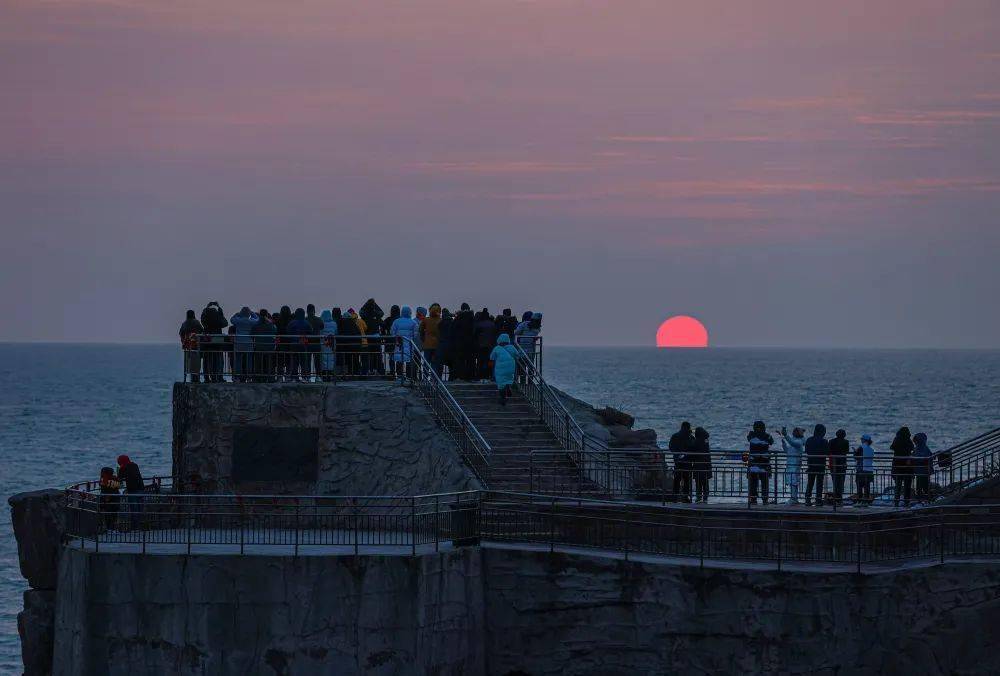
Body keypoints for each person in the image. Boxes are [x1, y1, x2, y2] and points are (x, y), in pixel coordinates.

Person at [747, 421, 774, 505]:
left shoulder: (751, 435)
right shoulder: (767, 436)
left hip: (753, 463)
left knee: (753, 482)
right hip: (764, 463)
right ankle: (765, 499)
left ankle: (753, 499)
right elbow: (771, 441)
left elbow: (748, 438)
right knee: (764, 482)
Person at [229, 307, 260, 382]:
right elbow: (258, 319)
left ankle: (238, 377)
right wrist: (252, 313)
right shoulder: (251, 321)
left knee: (238, 360)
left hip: (238, 342)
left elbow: (231, 319)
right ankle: (249, 376)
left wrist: (237, 314)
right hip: (248, 342)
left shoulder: (238, 321)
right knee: (249, 360)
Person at [200, 302, 228, 382]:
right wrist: (220, 310)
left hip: (207, 340)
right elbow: (225, 323)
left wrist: (206, 307)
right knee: (218, 359)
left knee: (206, 360)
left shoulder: (206, 320)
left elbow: (202, 317)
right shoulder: (218, 318)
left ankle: (206, 378)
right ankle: (218, 377)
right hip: (217, 341)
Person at [390, 305, 420, 381]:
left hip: (399, 344)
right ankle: (409, 377)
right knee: (409, 361)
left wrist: (397, 338)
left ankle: (399, 376)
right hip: (409, 344)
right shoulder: (413, 322)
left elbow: (392, 332)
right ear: (410, 313)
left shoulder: (396, 321)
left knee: (399, 360)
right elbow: (415, 334)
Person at [116, 454, 144, 531]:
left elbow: (119, 479)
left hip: (132, 491)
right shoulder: (135, 465)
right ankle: (140, 527)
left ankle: (135, 528)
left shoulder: (123, 468)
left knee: (134, 510)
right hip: (141, 489)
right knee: (140, 509)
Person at [489, 333, 519, 405]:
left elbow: (492, 358)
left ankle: (503, 398)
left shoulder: (497, 348)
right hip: (511, 367)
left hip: (500, 369)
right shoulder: (512, 347)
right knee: (508, 378)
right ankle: (508, 388)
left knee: (501, 382)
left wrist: (491, 368)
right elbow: (517, 355)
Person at [668, 422, 694, 502]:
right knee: (687, 480)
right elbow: (693, 447)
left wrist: (677, 455)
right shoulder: (690, 437)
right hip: (687, 462)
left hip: (678, 461)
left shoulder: (675, 436)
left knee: (677, 479)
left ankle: (675, 497)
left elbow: (671, 447)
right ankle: (685, 497)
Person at [804, 424, 829, 506]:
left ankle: (807, 499)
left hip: (811, 464)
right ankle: (818, 499)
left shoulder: (809, 440)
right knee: (819, 483)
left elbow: (807, 450)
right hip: (821, 465)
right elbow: (826, 452)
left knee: (810, 482)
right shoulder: (824, 441)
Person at [451, 303, 477, 381]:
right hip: (470, 342)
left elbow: (453, 329)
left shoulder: (458, 318)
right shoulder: (472, 317)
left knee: (460, 360)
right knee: (470, 360)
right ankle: (470, 376)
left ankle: (461, 376)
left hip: (460, 343)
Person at [779, 427, 805, 504]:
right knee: (792, 482)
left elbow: (791, 442)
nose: (794, 433)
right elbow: (787, 451)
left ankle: (794, 498)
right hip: (790, 464)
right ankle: (793, 498)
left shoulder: (799, 442)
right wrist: (783, 443)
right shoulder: (794, 442)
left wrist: (785, 435)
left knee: (794, 482)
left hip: (795, 464)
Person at [286, 308, 313, 381]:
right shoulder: (306, 323)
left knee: (294, 362)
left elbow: (287, 332)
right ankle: (304, 377)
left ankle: (294, 377)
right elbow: (311, 332)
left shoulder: (292, 323)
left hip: (293, 344)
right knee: (303, 362)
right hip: (303, 344)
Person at [360, 299, 385, 375]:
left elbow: (360, 311)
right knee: (377, 355)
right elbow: (382, 314)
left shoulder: (364, 315)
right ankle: (379, 371)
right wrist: (375, 304)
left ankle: (368, 371)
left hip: (367, 337)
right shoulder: (377, 315)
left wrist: (367, 303)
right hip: (376, 337)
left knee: (368, 355)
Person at [250, 309, 277, 381]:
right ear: (267, 314)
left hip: (259, 346)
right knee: (269, 363)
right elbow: (275, 332)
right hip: (269, 346)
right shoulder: (271, 324)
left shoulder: (256, 324)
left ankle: (258, 378)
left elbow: (252, 334)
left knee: (258, 363)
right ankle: (270, 378)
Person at [891, 426, 914, 507]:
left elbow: (892, 447)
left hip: (897, 465)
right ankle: (906, 501)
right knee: (907, 485)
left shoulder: (896, 439)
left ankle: (896, 501)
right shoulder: (908, 440)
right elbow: (912, 448)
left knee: (898, 484)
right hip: (907, 466)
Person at [179, 310, 204, 383]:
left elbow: (181, 333)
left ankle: (192, 378)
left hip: (188, 346)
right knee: (197, 363)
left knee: (190, 363)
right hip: (196, 345)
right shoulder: (196, 322)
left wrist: (184, 342)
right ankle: (196, 378)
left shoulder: (185, 323)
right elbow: (201, 330)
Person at [474, 309, 497, 381]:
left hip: (480, 345)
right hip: (490, 346)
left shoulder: (479, 324)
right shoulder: (493, 324)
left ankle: (479, 375)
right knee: (489, 361)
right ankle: (489, 374)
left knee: (480, 361)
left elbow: (475, 335)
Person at [691, 426, 712, 503]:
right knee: (705, 482)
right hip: (706, 464)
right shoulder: (706, 441)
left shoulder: (696, 441)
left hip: (698, 464)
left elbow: (692, 450)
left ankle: (698, 496)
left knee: (698, 482)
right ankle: (705, 497)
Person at [829, 429, 850, 506]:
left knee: (835, 481)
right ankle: (839, 498)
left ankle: (836, 498)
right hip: (842, 464)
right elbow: (847, 451)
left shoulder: (831, 441)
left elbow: (829, 451)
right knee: (841, 481)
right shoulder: (846, 442)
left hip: (833, 464)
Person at [420, 303, 442, 372]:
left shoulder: (426, 320)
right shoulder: (441, 321)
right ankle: (434, 379)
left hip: (427, 344)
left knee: (426, 362)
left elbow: (420, 330)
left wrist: (423, 339)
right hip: (437, 344)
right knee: (435, 363)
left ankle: (425, 379)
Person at [98, 466, 121, 532]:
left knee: (108, 515)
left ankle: (109, 529)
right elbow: (118, 486)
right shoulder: (115, 479)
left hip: (107, 500)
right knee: (114, 515)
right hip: (115, 499)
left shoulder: (105, 479)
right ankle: (113, 529)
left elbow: (103, 487)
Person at [855, 434, 875, 505]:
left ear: (864, 440)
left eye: (862, 439)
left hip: (861, 469)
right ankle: (866, 501)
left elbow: (856, 457)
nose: (861, 440)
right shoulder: (871, 449)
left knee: (859, 486)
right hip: (869, 469)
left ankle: (859, 501)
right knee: (867, 486)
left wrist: (855, 452)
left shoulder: (861, 448)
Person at [912, 432, 933, 502]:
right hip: (921, 470)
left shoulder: (921, 449)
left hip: (922, 470)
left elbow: (917, 457)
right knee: (920, 484)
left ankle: (924, 498)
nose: (915, 443)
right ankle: (922, 498)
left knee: (923, 484)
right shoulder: (923, 448)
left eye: (916, 441)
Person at [319, 309, 338, 381]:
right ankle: (330, 374)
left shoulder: (322, 323)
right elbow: (336, 332)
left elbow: (320, 332)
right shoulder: (334, 324)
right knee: (331, 358)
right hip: (332, 344)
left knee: (324, 359)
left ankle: (324, 375)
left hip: (323, 344)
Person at [275, 306, 293, 381]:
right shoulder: (291, 320)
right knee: (289, 360)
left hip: (281, 343)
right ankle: (288, 376)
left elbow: (276, 331)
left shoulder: (278, 321)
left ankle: (279, 376)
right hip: (289, 343)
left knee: (280, 361)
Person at [306, 304, 324, 378]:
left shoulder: (306, 319)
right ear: (314, 310)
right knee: (317, 361)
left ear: (307, 311)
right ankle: (318, 376)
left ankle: (307, 376)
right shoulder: (318, 319)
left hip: (308, 343)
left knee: (307, 361)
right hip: (317, 342)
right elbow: (322, 327)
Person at [436, 308, 454, 379]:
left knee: (440, 363)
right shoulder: (452, 322)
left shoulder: (440, 323)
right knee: (451, 363)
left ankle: (439, 378)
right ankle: (451, 378)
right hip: (450, 344)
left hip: (442, 344)